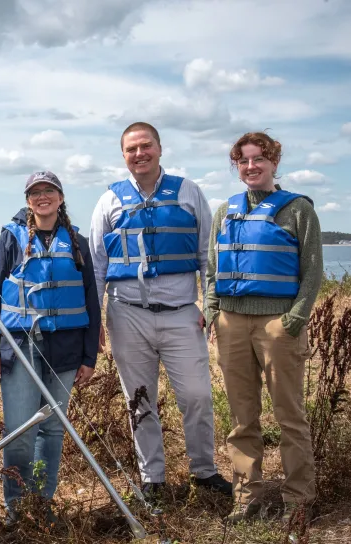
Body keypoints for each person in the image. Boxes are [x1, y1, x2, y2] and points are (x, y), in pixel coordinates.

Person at [89, 122, 233, 500]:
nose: (139, 154)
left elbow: (207, 255)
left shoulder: (188, 192)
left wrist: (209, 305)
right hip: (127, 313)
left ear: (159, 148)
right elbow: (97, 265)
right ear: (123, 155)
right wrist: (95, 321)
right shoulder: (109, 201)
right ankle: (152, 478)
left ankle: (204, 471)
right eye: (131, 149)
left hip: (181, 312)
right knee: (139, 400)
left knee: (198, 396)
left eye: (145, 146)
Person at [205, 132, 323, 524]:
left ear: (274, 162)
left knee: (289, 414)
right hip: (232, 323)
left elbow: (312, 271)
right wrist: (213, 311)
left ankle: (299, 498)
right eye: (243, 161)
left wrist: (295, 319)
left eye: (259, 159)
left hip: (278, 325)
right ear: (236, 167)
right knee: (242, 417)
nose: (251, 166)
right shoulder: (225, 212)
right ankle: (246, 496)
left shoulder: (298, 209)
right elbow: (212, 270)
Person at [0, 171, 100, 524]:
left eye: (49, 191)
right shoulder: (11, 239)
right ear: (28, 199)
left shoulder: (77, 242)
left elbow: (92, 303)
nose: (42, 196)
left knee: (51, 429)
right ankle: (15, 509)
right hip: (19, 348)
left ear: (61, 198)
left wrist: (89, 357)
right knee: (19, 430)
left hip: (65, 349)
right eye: (35, 192)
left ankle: (42, 503)